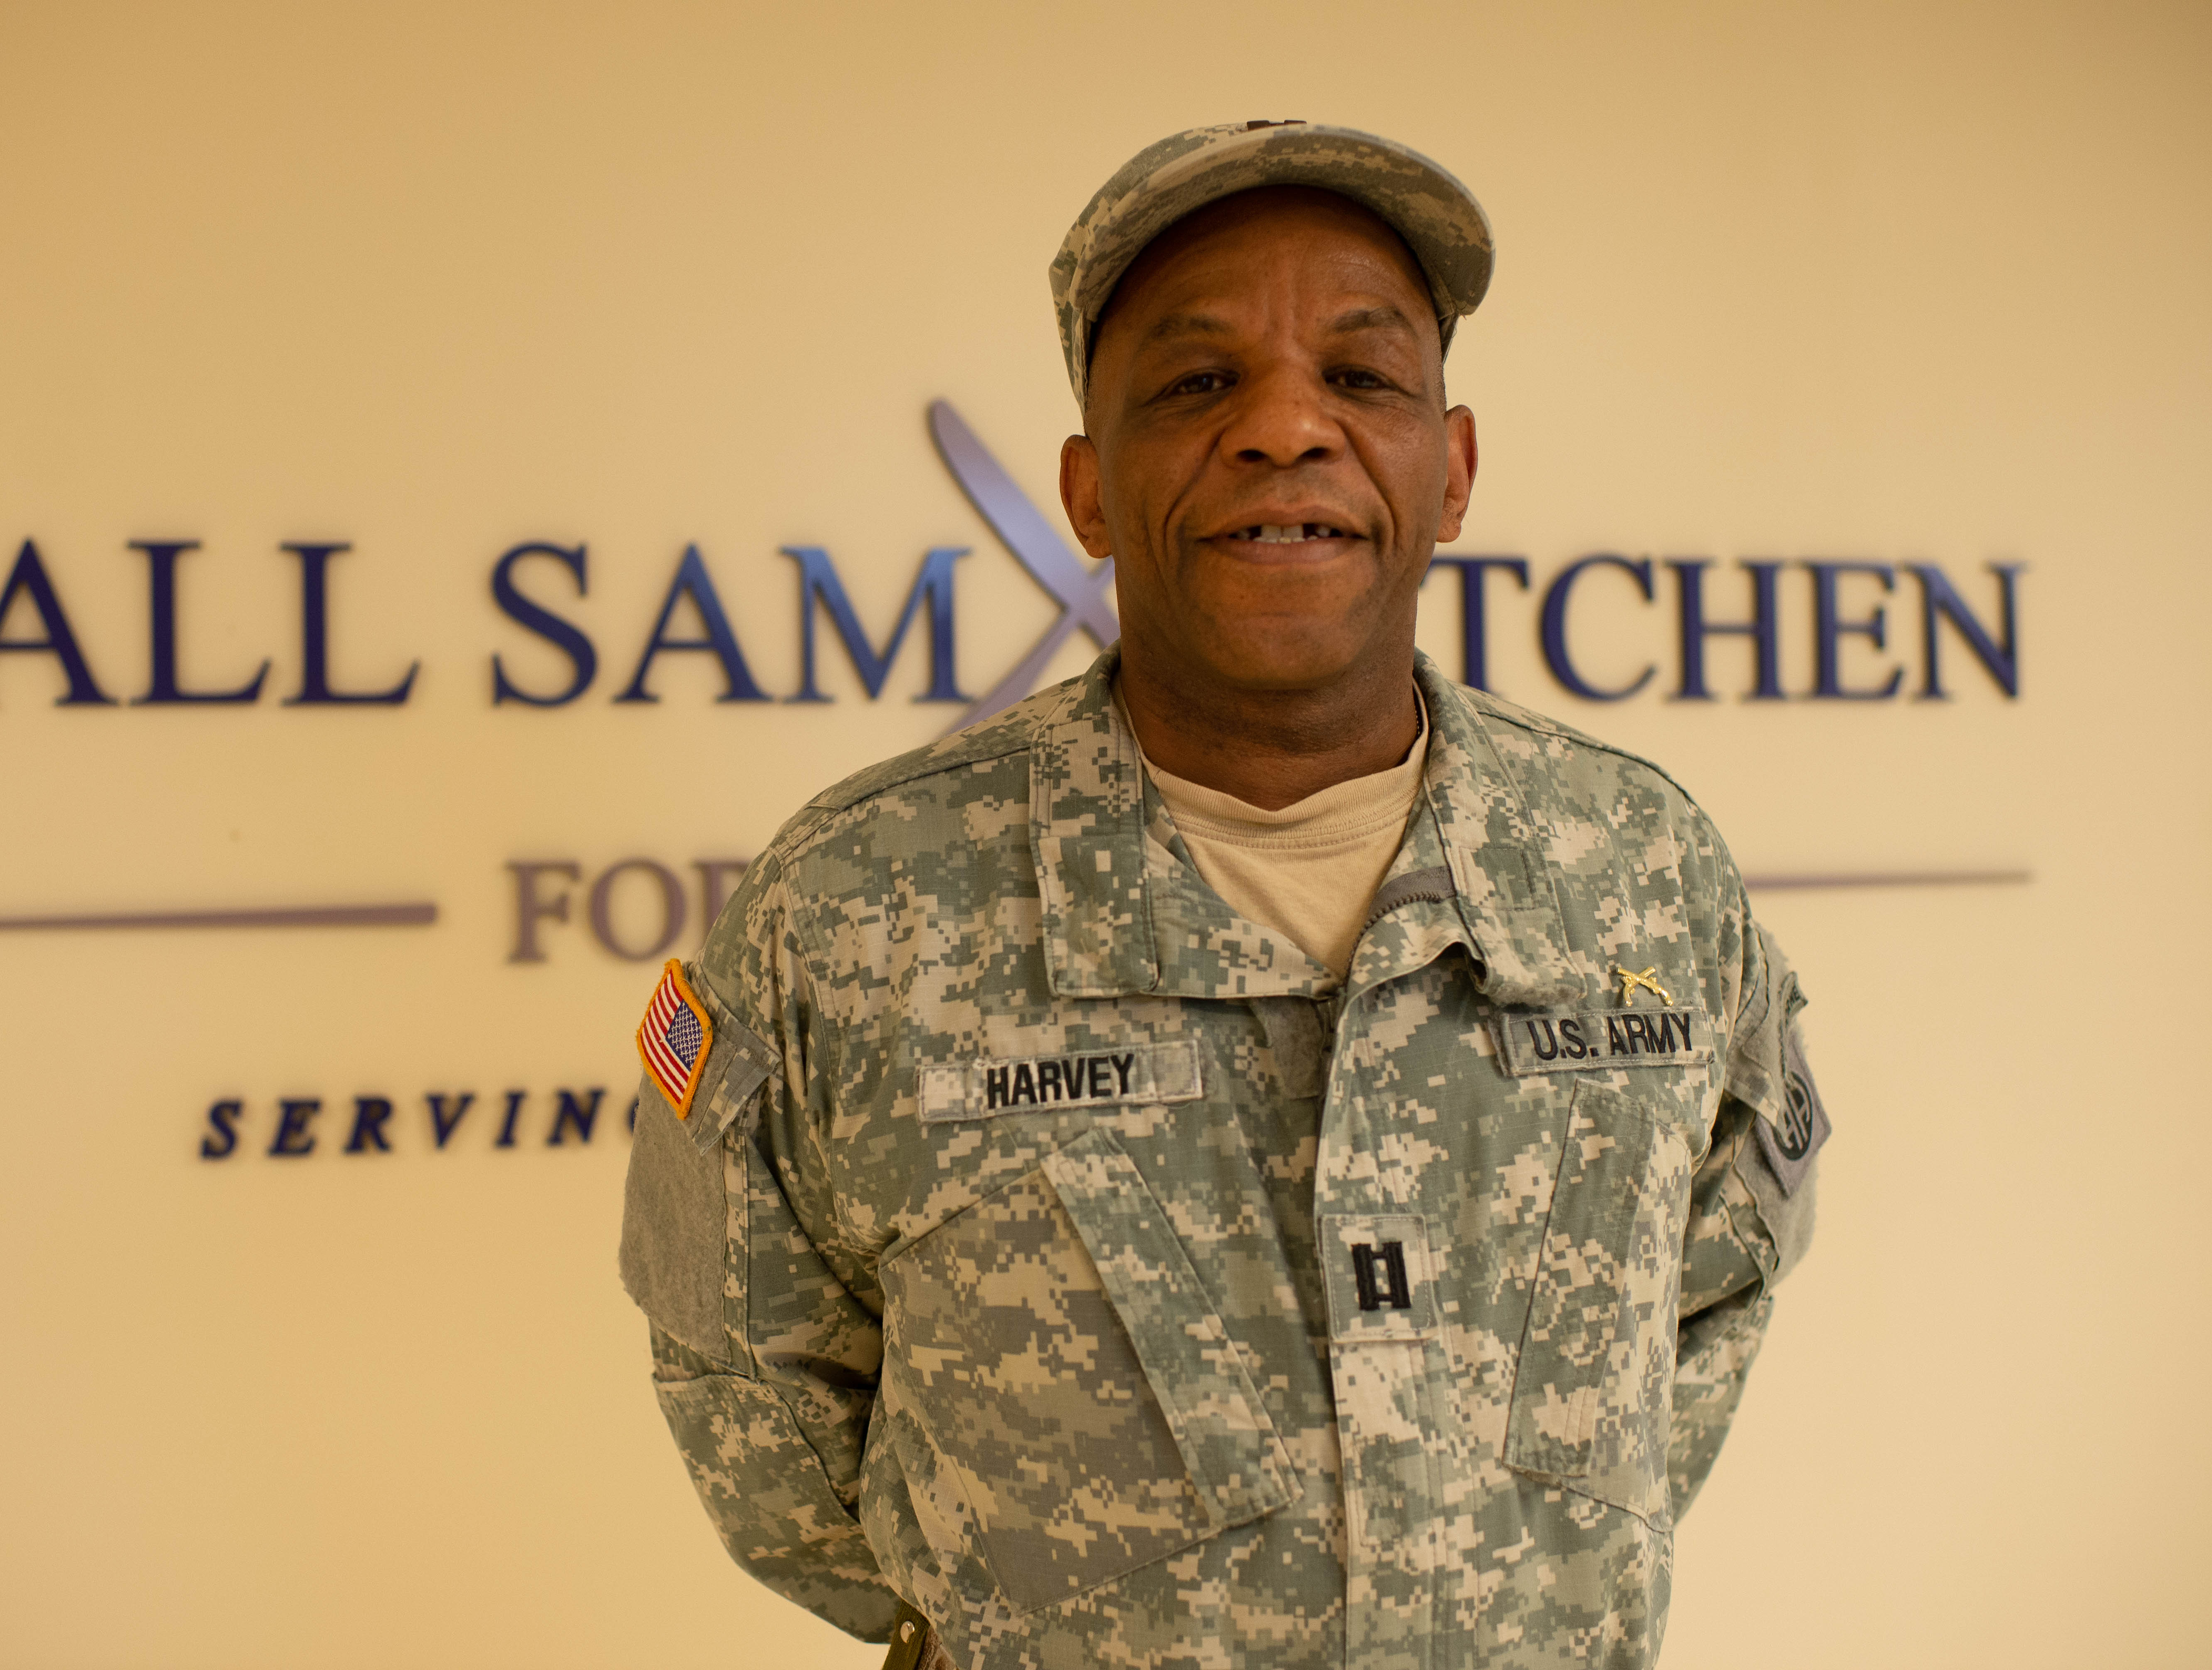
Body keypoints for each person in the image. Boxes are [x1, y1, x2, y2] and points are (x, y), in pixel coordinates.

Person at [618, 120, 1826, 1670]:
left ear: (1449, 470)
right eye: (1198, 385)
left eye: (1363, 377)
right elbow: (751, 1399)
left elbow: (1716, 1294)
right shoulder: (851, 914)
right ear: (1089, 490)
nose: (1284, 429)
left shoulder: (1645, 874)